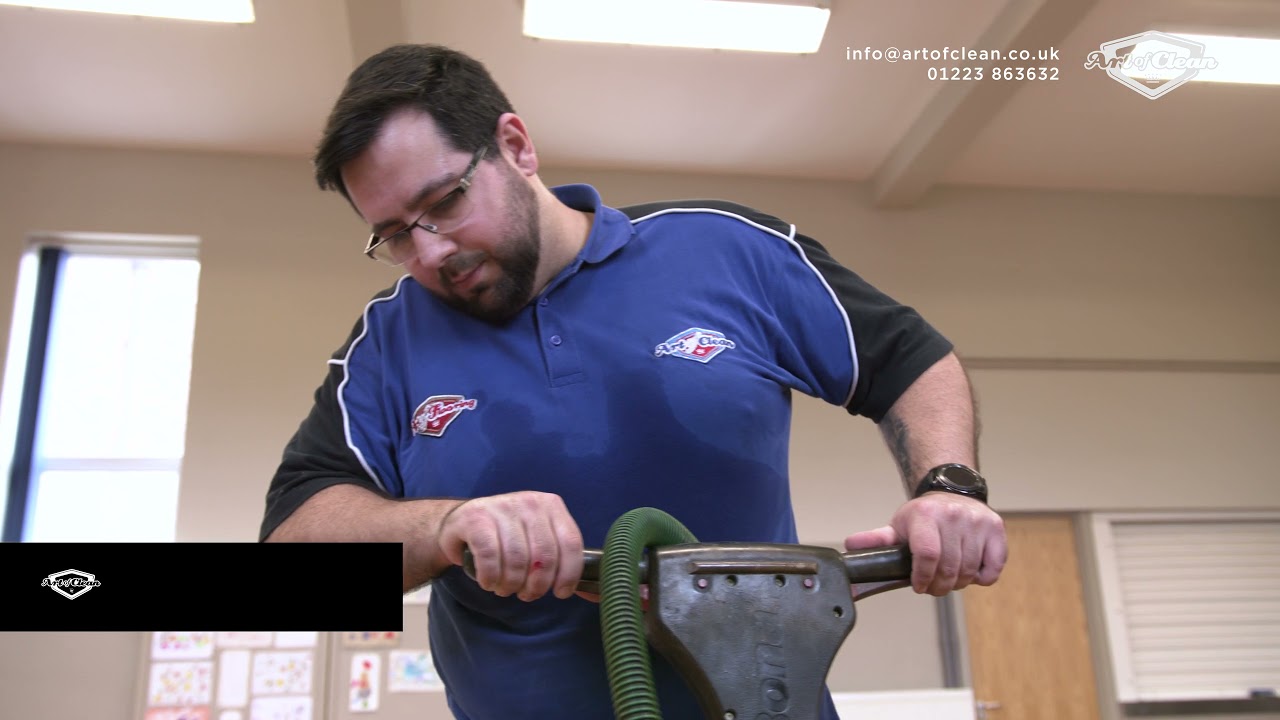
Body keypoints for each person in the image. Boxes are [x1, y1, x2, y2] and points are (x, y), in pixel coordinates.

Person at [260, 43, 1007, 720]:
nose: (430, 253)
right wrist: (443, 526)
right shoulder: (388, 343)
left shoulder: (722, 251)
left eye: (445, 202)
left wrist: (947, 487)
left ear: (515, 146)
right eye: (393, 234)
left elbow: (908, 357)